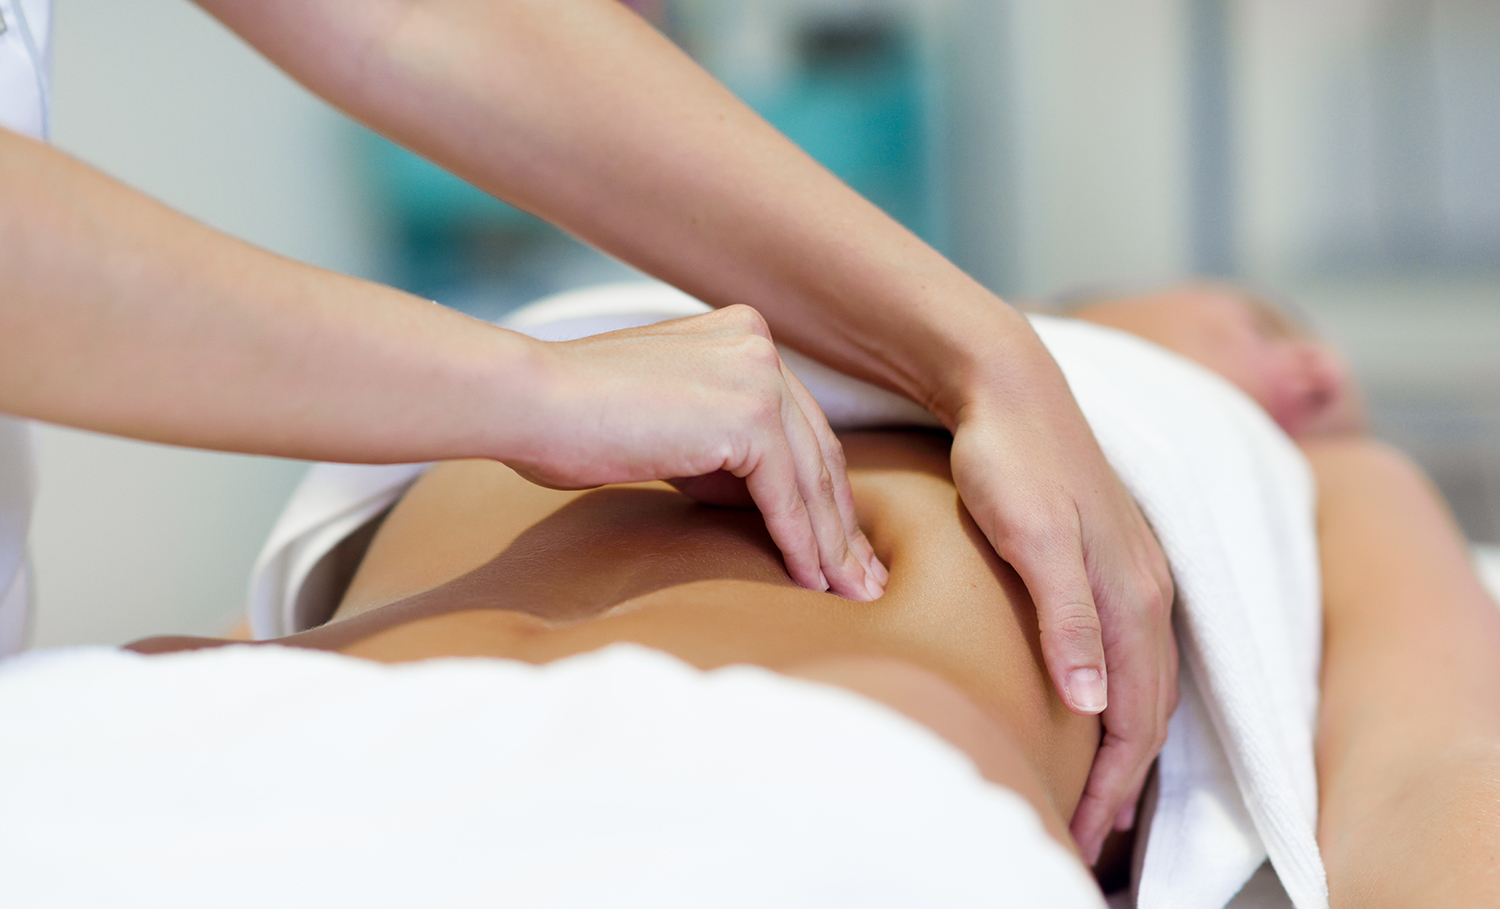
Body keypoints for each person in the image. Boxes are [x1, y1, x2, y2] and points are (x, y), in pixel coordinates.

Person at [0, 0, 1172, 857]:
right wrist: (537, 390)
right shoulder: (558, 377)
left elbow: (425, 22)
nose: (1305, 362)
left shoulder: (1178, 447)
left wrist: (989, 350)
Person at [133, 281, 1500, 909]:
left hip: (773, 812)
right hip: (244, 750)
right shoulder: (700, 302)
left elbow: (1428, 772)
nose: (1324, 377)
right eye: (1261, 320)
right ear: (1098, 297)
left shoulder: (1294, 472)